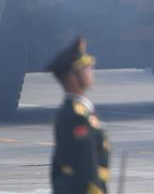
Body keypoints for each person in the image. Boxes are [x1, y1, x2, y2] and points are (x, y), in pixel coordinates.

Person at [45, 37, 110, 194]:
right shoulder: (77, 116)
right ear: (72, 76)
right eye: (86, 67)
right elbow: (85, 167)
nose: (91, 71)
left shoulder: (77, 111)